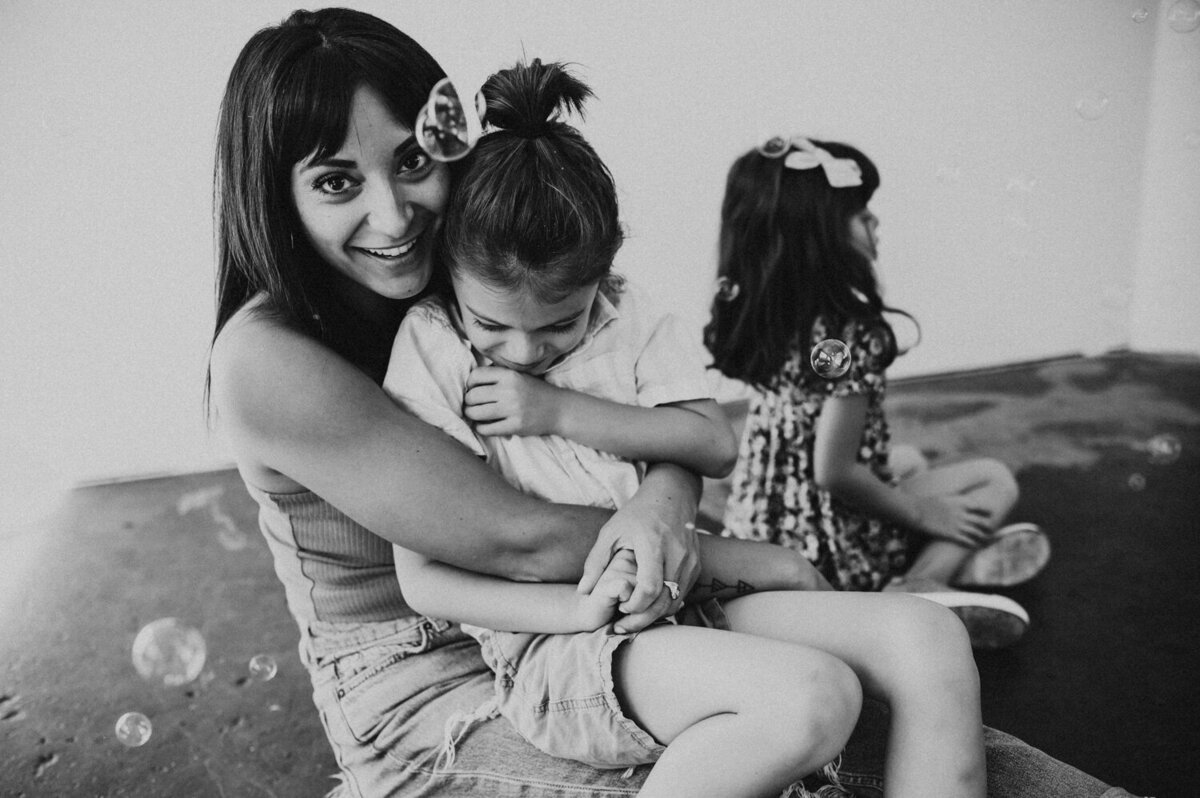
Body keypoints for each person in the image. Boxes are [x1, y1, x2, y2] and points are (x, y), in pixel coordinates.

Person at [206, 8, 1142, 797]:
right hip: (445, 676)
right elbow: (512, 538)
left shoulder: (494, 270)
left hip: (622, 597)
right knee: (817, 725)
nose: (395, 211)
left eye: (414, 160)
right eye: (337, 182)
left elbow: (647, 407)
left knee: (931, 684)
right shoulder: (272, 357)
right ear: (271, 195)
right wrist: (735, 553)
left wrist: (665, 496)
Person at [382, 58, 999, 798]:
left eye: (559, 323)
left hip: (689, 592)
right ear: (450, 272)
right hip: (564, 646)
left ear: (604, 272)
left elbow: (709, 441)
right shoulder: (432, 346)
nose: (523, 353)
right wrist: (578, 608)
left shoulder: (626, 316)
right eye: (492, 324)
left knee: (929, 635)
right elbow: (423, 581)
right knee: (814, 694)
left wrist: (631, 484)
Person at [705, 135, 1052, 650]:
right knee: (990, 480)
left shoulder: (766, 318)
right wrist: (923, 514)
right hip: (830, 546)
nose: (875, 223)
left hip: (764, 528)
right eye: (861, 213)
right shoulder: (848, 334)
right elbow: (835, 471)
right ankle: (920, 584)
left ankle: (954, 557)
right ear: (820, 234)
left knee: (907, 459)